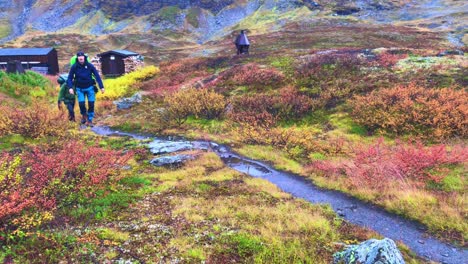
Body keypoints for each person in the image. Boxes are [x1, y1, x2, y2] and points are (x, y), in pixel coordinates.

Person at [67, 51, 104, 127]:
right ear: (77, 58)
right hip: (79, 88)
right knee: (81, 103)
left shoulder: (90, 66)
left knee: (91, 104)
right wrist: (70, 88)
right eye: (79, 57)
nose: (80, 58)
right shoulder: (74, 66)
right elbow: (69, 78)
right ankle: (84, 115)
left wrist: (101, 87)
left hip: (90, 87)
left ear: (84, 57)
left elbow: (97, 76)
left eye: (82, 56)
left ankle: (90, 120)